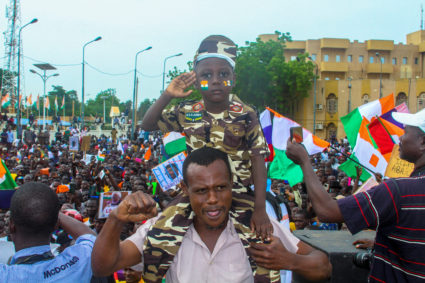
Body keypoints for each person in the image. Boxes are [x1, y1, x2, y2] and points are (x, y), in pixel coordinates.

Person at [91, 147, 331, 282]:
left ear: (231, 184)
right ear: (185, 190)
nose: (213, 199)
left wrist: (289, 260)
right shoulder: (161, 228)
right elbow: (103, 267)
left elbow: (323, 267)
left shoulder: (256, 227)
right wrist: (115, 219)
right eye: (201, 191)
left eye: (220, 187)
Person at [142, 35, 272, 239]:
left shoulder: (246, 113)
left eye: (223, 74)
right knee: (158, 236)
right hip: (197, 194)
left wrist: (260, 208)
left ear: (234, 79)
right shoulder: (186, 110)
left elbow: (258, 160)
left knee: (260, 244)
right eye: (206, 75)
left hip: (237, 193)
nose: (216, 81)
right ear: (196, 81)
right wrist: (168, 95)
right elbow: (147, 125)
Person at [286, 108, 425, 282]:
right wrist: (382, 243)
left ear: (423, 142)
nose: (400, 138)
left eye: (405, 132)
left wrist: (304, 161)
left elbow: (327, 211)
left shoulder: (397, 190)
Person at [0, 182, 97, 282]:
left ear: (11, 225)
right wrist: (51, 213)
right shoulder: (78, 263)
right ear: (56, 224)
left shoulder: (4, 276)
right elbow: (91, 237)